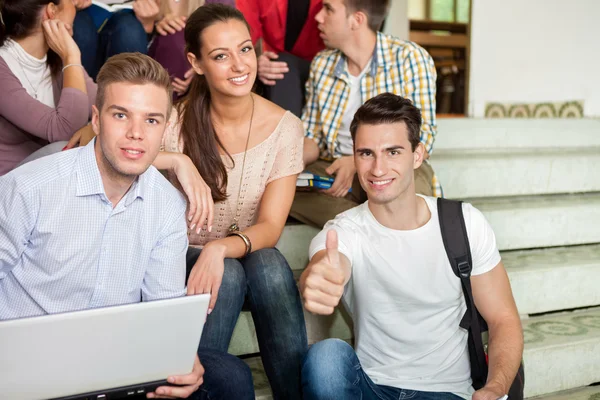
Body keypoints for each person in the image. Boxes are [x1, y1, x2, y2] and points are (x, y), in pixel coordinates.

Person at [0, 52, 254, 400]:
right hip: (31, 368)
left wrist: (180, 358)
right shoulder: (28, 189)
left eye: (151, 120)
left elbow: (161, 309)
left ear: (164, 129)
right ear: (97, 119)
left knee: (230, 376)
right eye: (121, 115)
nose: (136, 133)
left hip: (117, 361)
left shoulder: (166, 205)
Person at [299, 93, 524, 400]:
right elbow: (328, 261)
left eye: (393, 152)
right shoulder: (344, 231)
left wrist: (495, 388)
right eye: (366, 153)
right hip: (373, 388)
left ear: (417, 155)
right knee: (326, 358)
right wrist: (320, 274)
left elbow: (503, 318)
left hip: (445, 392)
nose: (378, 169)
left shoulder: (464, 223)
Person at [159, 4, 307, 399]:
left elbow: (272, 228)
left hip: (233, 251)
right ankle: (200, 387)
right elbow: (111, 149)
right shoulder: (174, 121)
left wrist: (220, 248)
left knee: (270, 263)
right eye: (221, 56)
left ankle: (292, 393)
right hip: (180, 256)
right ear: (197, 62)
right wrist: (177, 160)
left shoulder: (284, 128)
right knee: (234, 273)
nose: (239, 64)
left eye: (245, 49)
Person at [291, 0, 440, 228]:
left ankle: (363, 223)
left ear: (357, 20)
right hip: (332, 164)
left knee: (412, 194)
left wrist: (358, 160)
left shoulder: (410, 58)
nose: (318, 17)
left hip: (393, 161)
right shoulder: (322, 64)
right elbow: (313, 136)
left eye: (328, 9)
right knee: (283, 193)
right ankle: (373, 223)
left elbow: (423, 138)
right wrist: (286, 166)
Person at [0, 0, 96, 175]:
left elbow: (103, 100)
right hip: (9, 183)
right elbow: (67, 131)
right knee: (68, 150)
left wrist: (93, 127)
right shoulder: (3, 66)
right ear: (52, 10)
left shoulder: (56, 58)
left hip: (49, 173)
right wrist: (72, 57)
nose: (75, 5)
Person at [236, 0, 324, 117]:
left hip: (324, 64)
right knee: (283, 67)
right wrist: (255, 62)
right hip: (276, 68)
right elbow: (241, 38)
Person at [149, 0, 236, 99]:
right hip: (150, 69)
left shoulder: (219, 3)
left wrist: (200, 66)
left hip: (201, 73)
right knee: (173, 38)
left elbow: (229, 39)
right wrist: (153, 25)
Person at [71, 0, 159, 80]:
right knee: (81, 29)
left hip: (131, 20)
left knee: (129, 31)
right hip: (78, 14)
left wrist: (147, 23)